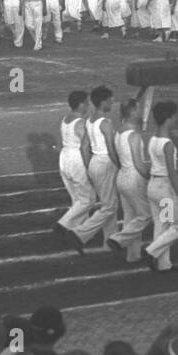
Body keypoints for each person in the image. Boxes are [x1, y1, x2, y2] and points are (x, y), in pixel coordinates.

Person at [75, 85, 121, 250]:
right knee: (109, 206)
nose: (112, 102)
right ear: (103, 102)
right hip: (106, 163)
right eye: (110, 100)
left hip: (95, 162)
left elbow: (84, 146)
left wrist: (89, 167)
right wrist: (120, 166)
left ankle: (110, 241)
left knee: (108, 203)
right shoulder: (106, 123)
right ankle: (81, 232)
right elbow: (111, 148)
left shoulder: (89, 121)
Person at [143, 101, 178, 273]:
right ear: (168, 118)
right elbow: (171, 172)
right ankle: (151, 251)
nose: (175, 119)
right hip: (164, 190)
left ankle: (164, 265)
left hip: (153, 187)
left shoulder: (153, 139)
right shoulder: (168, 144)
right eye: (174, 116)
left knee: (162, 226)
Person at [108, 98, 151, 263]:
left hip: (122, 177)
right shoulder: (134, 136)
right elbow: (139, 164)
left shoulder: (119, 131)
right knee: (146, 215)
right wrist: (149, 176)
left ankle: (133, 255)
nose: (140, 112)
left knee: (130, 217)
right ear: (132, 111)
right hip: (133, 178)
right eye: (138, 109)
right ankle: (119, 239)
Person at [53, 90, 94, 253]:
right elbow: (85, 147)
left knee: (77, 200)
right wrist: (89, 167)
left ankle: (78, 236)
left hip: (64, 158)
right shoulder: (81, 123)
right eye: (87, 102)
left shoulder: (65, 119)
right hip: (76, 159)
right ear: (81, 104)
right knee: (88, 199)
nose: (89, 105)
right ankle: (63, 224)